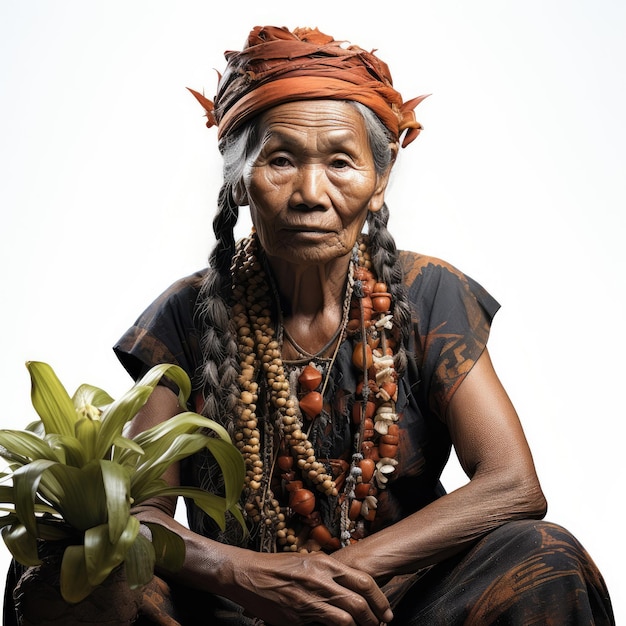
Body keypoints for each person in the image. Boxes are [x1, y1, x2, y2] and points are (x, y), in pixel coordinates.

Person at [112, 25, 612, 625]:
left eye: (342, 162)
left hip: (394, 605)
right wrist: (250, 576)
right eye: (280, 160)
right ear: (239, 182)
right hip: (238, 608)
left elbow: (511, 484)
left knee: (543, 553)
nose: (310, 193)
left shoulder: (428, 293)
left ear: (380, 182)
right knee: (76, 570)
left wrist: (335, 576)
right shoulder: (185, 312)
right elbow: (136, 514)